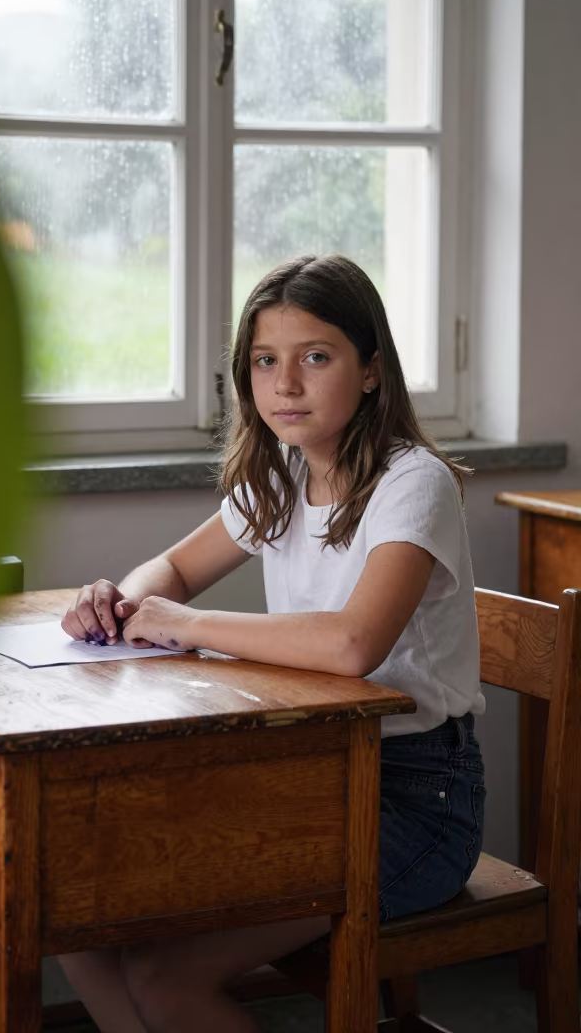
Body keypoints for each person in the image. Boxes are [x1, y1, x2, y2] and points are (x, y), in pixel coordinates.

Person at [58, 253, 486, 1033]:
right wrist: (122, 595)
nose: (285, 384)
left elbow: (352, 643)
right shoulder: (283, 475)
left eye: (314, 357)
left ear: (370, 371)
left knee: (162, 977)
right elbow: (178, 567)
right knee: (79, 918)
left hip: (414, 801)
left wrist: (182, 624)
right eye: (265, 361)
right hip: (306, 774)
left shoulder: (411, 481)